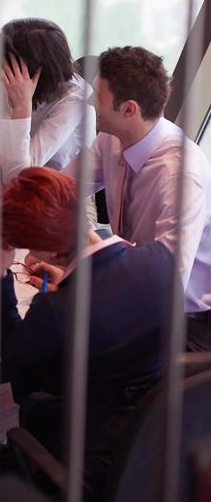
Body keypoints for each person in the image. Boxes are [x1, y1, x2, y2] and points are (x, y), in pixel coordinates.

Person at [0, 166, 173, 502]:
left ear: (50, 246)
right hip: (157, 427)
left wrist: (0, 276)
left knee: (34, 390)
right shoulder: (159, 260)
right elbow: (115, 302)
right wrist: (72, 282)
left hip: (94, 447)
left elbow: (12, 357)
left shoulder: (56, 310)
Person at [63, 46, 211, 352]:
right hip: (132, 276)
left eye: (99, 98)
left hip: (186, 318)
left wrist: (86, 252)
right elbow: (63, 187)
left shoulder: (180, 177)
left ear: (129, 109)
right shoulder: (110, 136)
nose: (92, 103)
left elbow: (166, 282)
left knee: (65, 335)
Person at [0, 18, 94, 183]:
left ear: (32, 74)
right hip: (3, 175)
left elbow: (18, 176)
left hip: (57, 188)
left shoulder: (76, 100)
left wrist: (22, 107)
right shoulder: (1, 61)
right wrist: (4, 155)